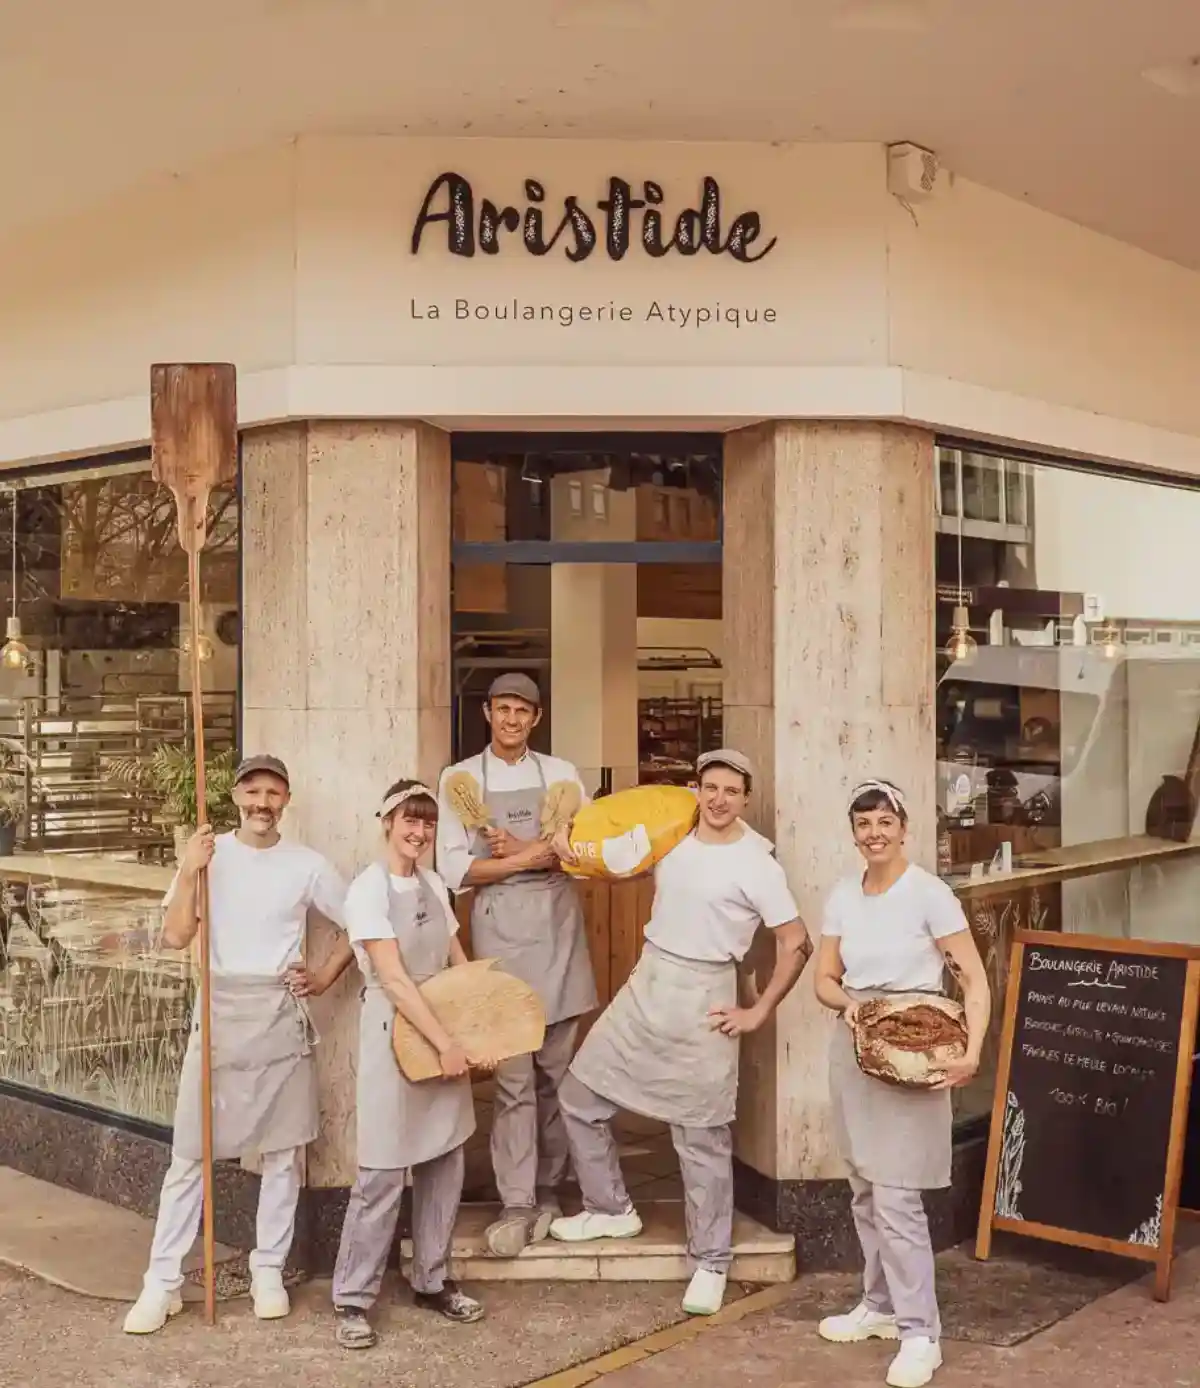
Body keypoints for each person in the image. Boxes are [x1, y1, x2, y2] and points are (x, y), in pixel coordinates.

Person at [548, 749, 812, 1317]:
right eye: (708, 787)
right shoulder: (675, 833)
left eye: (729, 791)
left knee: (701, 1139)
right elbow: (615, 857)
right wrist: (573, 849)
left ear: (746, 797)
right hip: (651, 981)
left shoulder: (757, 862)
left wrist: (758, 1010)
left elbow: (797, 942)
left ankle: (711, 1260)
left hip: (706, 995)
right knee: (579, 1096)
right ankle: (611, 1209)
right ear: (696, 790)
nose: (717, 799)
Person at [123, 754, 354, 1335]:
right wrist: (187, 867)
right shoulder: (207, 854)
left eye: (273, 792)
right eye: (253, 791)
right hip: (220, 1013)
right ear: (234, 795)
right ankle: (163, 1282)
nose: (262, 802)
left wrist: (324, 975)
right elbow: (176, 935)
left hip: (278, 1015)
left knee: (282, 1155)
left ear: (286, 800)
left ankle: (268, 1270)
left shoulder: (306, 865)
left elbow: (363, 919)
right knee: (189, 1154)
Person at [813, 778, 991, 1388]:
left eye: (884, 821)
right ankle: (881, 1306)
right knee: (864, 1186)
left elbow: (972, 977)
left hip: (916, 1041)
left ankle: (922, 1334)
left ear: (904, 827)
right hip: (858, 1040)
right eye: (863, 823)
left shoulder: (930, 894)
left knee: (896, 1196)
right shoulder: (842, 893)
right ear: (854, 833)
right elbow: (824, 978)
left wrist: (972, 1048)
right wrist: (850, 1008)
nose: (874, 833)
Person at [436, 673, 597, 1259]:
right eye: (502, 709)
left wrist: (551, 854)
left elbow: (584, 849)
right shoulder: (459, 781)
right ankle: (517, 1199)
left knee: (557, 1075)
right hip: (499, 935)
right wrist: (533, 857)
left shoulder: (562, 775)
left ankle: (550, 1188)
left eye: (522, 711)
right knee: (512, 1081)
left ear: (536, 717)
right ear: (487, 713)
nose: (511, 719)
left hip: (558, 933)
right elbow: (456, 872)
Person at [332, 779, 489, 1350]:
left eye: (427, 823)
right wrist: (445, 1039)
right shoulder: (366, 891)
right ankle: (353, 1298)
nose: (419, 832)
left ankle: (432, 1278)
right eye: (409, 820)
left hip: (444, 1026)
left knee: (445, 1163)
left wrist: (476, 1028)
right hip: (394, 1030)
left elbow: (458, 960)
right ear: (387, 822)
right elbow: (394, 978)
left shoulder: (435, 886)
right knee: (380, 1172)